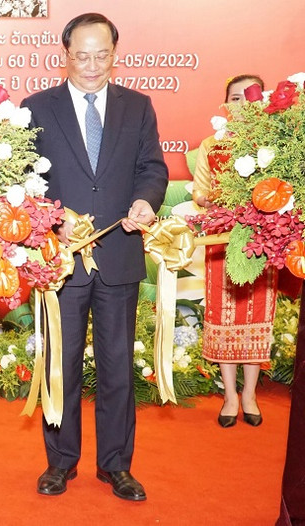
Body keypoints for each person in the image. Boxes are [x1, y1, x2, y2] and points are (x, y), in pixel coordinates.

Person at [21, 13, 168, 501]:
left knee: (117, 366)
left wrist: (147, 199)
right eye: (81, 55)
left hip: (120, 256)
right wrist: (50, 218)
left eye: (101, 54)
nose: (91, 64)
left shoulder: (138, 106)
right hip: (62, 261)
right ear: (65, 53)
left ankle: (116, 466)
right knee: (59, 368)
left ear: (115, 52)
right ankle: (60, 463)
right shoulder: (36, 108)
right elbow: (25, 181)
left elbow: (152, 167)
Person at [191, 74, 275, 429]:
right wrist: (218, 199)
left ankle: (251, 395)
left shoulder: (275, 146)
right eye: (235, 98)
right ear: (225, 104)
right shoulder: (212, 145)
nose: (242, 104)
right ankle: (229, 396)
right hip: (221, 241)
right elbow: (199, 194)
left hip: (261, 240)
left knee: (256, 316)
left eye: (249, 97)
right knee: (224, 317)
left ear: (262, 101)